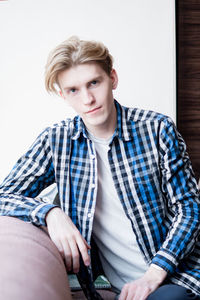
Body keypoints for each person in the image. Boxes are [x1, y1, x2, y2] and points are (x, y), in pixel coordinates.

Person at [0, 36, 200, 300]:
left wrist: (154, 274)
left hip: (179, 275)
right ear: (63, 95)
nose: (88, 99)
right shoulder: (57, 141)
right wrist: (51, 213)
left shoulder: (157, 129)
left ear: (112, 79)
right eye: (74, 90)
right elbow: (5, 195)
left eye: (94, 83)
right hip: (124, 291)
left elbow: (189, 209)